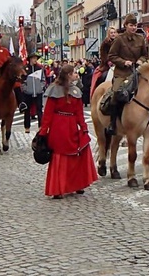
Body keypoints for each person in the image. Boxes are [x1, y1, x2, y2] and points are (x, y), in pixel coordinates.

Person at [38, 64, 98, 198]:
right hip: (62, 126)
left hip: (61, 125)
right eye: (74, 73)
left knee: (70, 155)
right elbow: (50, 113)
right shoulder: (55, 90)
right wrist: (83, 127)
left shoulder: (75, 91)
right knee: (67, 155)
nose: (76, 74)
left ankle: (72, 186)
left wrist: (83, 127)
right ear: (68, 75)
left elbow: (77, 113)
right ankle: (61, 188)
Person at [106, 14, 148, 136]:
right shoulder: (119, 39)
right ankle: (112, 123)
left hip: (137, 72)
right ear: (125, 26)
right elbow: (111, 56)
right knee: (116, 93)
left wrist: (141, 60)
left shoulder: (140, 38)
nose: (134, 28)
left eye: (135, 25)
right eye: (131, 25)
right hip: (122, 73)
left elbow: (145, 54)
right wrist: (124, 62)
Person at [22, 53, 46, 133]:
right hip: (28, 93)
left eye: (36, 58)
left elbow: (43, 79)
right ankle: (27, 126)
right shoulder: (25, 68)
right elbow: (22, 81)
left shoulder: (39, 68)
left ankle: (40, 126)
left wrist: (41, 87)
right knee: (27, 110)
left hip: (38, 92)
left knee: (39, 109)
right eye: (34, 58)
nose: (35, 60)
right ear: (30, 59)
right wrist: (25, 89)